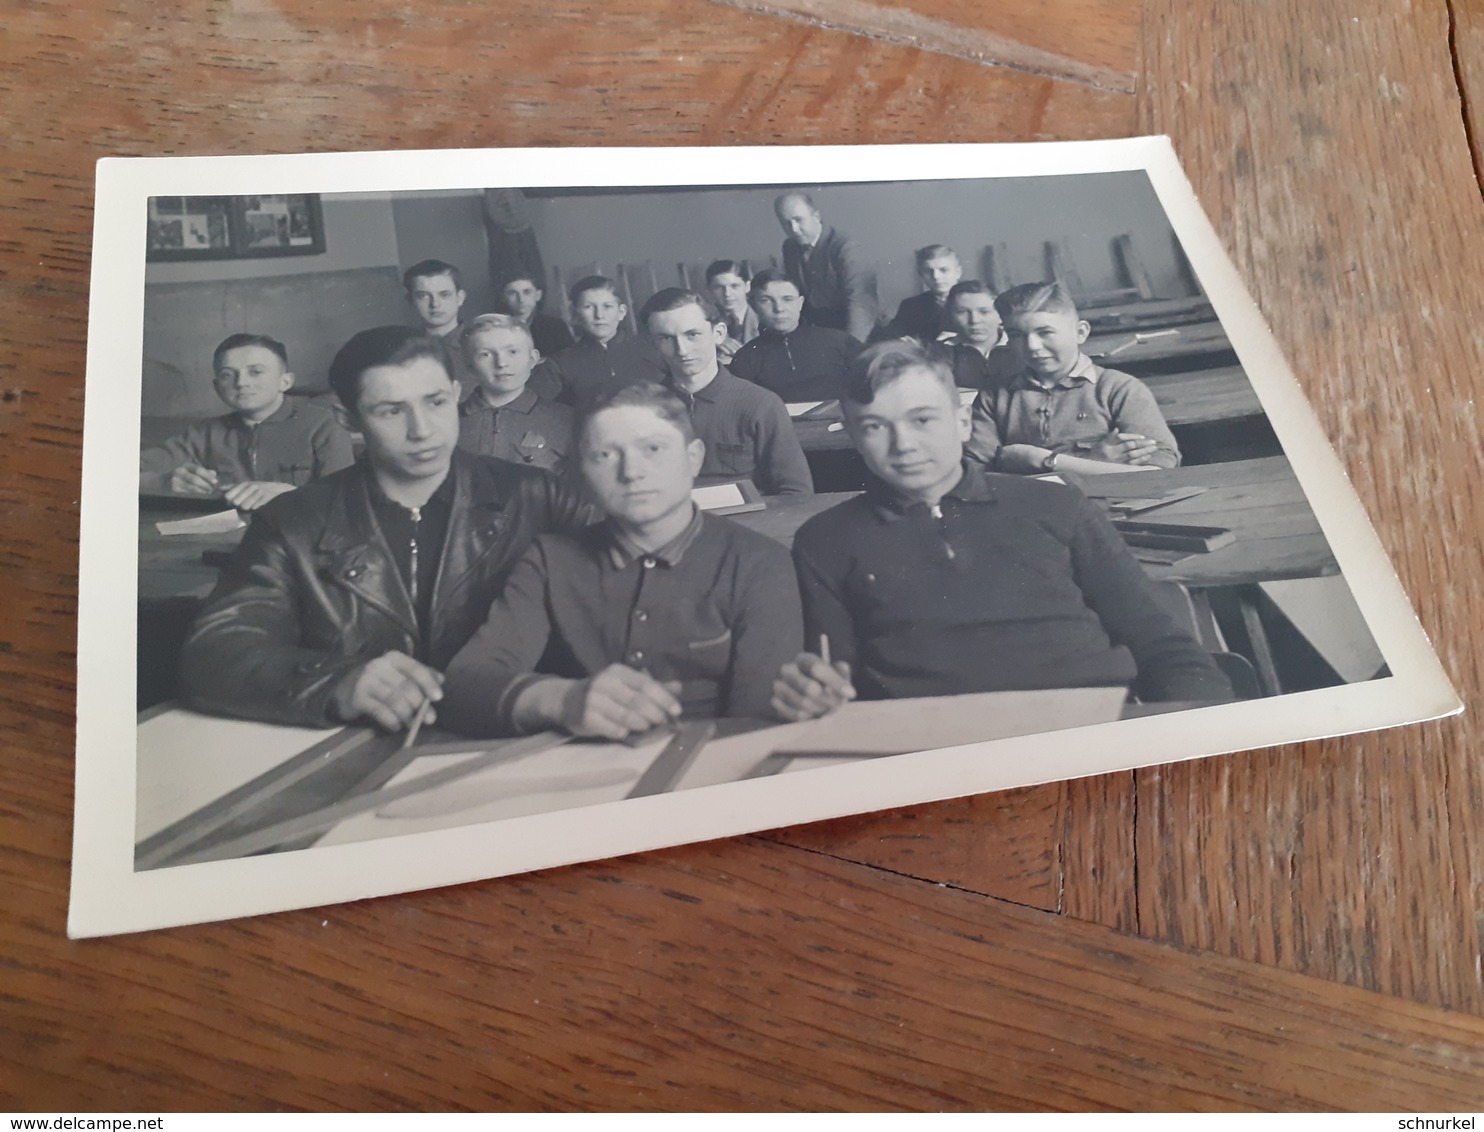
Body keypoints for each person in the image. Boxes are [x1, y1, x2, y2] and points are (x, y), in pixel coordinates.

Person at [770, 339, 1232, 721]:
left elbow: (1167, 650)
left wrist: (1191, 733)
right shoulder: (824, 542)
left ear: (963, 420)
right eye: (875, 426)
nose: (903, 444)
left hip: (1089, 730)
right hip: (934, 756)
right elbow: (837, 687)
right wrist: (814, 697)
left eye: (922, 419)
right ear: (852, 435)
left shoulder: (1056, 507)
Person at [178, 325, 591, 731]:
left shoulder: (539, 497)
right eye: (392, 410)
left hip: (515, 737)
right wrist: (336, 682)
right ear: (348, 418)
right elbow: (215, 652)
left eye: (435, 402)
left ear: (456, 394)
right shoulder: (293, 521)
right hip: (356, 752)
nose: (422, 430)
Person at [440, 382, 803, 740]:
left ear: (694, 458)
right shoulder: (550, 559)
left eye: (653, 449)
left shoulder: (760, 563)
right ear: (581, 468)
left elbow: (760, 724)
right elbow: (465, 685)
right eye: (605, 455)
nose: (632, 472)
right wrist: (561, 700)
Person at [965, 281, 1180, 475]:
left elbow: (1159, 471)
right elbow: (975, 473)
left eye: (1045, 332)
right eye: (1016, 335)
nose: (1032, 346)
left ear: (1080, 332)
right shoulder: (994, 396)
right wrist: (1091, 462)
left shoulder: (1119, 389)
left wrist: (1044, 461)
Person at [139, 333, 353, 510]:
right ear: (217, 387)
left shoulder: (324, 423)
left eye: (255, 372)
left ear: (285, 381)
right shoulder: (204, 433)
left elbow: (346, 499)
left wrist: (291, 494)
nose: (241, 383)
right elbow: (122, 473)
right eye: (227, 375)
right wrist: (163, 481)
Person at [641, 287, 813, 496]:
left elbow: (796, 492)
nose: (682, 350)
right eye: (666, 338)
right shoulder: (641, 410)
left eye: (692, 334)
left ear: (718, 333)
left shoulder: (761, 404)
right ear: (652, 343)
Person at [457, 314, 574, 472]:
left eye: (512, 352)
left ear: (532, 359)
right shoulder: (448, 421)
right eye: (486, 354)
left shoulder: (565, 420)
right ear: (469, 366)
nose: (501, 363)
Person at [728, 269, 862, 402]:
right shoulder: (745, 358)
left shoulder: (840, 342)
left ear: (800, 303)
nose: (779, 308)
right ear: (753, 305)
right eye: (766, 300)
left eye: (788, 299)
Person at [550, 275, 667, 411]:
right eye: (588, 307)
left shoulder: (652, 351)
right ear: (575, 314)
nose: (599, 315)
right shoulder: (561, 364)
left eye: (607, 306)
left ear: (621, 312)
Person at [775, 191, 878, 343]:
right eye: (786, 223)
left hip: (859, 333)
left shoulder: (847, 247)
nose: (794, 229)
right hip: (818, 332)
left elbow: (860, 304)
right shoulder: (790, 247)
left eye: (798, 220)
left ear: (816, 216)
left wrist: (850, 349)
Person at [403, 258, 473, 388]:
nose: (435, 304)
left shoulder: (478, 344)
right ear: (410, 300)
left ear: (460, 298)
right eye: (423, 295)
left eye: (444, 295)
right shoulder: (404, 349)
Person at [941, 280, 1019, 391]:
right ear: (951, 315)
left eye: (984, 312)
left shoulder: (1021, 347)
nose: (974, 320)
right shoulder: (939, 352)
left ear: (1001, 314)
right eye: (962, 312)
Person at [886, 244, 963, 345]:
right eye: (928, 271)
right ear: (921, 275)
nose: (936, 277)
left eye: (943, 270)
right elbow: (894, 338)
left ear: (958, 272)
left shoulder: (977, 301)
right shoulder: (910, 305)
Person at [498, 273, 576, 358]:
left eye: (527, 292)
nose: (521, 299)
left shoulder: (556, 326)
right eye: (512, 293)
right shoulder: (495, 327)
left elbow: (569, 361)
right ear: (503, 297)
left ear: (538, 295)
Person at [704, 259, 759, 362]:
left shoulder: (764, 319)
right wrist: (715, 338)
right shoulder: (706, 325)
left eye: (734, 286)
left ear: (747, 287)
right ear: (709, 291)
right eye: (719, 287)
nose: (727, 294)